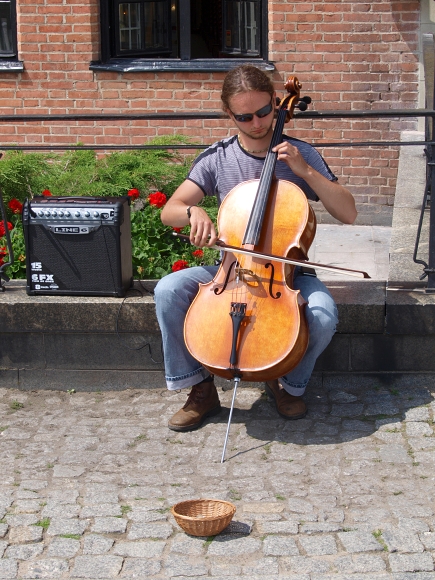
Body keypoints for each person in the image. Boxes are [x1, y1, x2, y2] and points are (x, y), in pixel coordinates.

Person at [154, 64, 357, 432]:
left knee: (324, 316)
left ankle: (285, 382)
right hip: (230, 271)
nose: (258, 123)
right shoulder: (218, 157)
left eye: (264, 112)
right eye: (245, 117)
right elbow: (171, 211)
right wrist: (193, 211)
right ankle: (200, 389)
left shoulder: (300, 154)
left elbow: (349, 213)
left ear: (277, 104)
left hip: (287, 273)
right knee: (168, 289)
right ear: (229, 114)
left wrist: (306, 172)